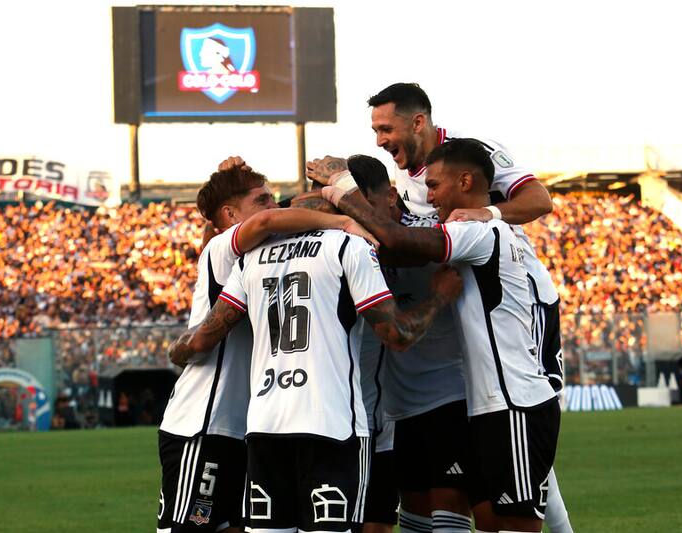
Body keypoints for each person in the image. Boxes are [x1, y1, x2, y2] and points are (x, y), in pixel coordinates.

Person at [309, 82, 572, 533]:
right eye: (374, 131)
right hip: (444, 387)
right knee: (485, 502)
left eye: (386, 128)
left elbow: (538, 200)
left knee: (508, 506)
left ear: (418, 122)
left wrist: (488, 214)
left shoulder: (469, 166)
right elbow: (400, 244)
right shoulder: (416, 190)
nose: (380, 140)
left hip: (493, 371)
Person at [169, 222, 463, 533]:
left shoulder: (252, 257)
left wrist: (176, 351)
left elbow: (202, 338)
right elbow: (397, 334)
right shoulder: (349, 246)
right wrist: (439, 297)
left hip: (265, 426)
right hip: (329, 426)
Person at [157, 160, 378, 533]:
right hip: (203, 423)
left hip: (244, 426)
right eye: (262, 199)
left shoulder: (260, 252)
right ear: (230, 215)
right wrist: (342, 221)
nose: (274, 206)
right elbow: (266, 222)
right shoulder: (222, 247)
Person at [345, 155, 472, 533]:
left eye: (362, 205)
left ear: (389, 195)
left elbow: (408, 247)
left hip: (447, 396)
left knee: (448, 510)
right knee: (408, 516)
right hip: (393, 409)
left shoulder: (430, 232)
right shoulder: (349, 241)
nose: (357, 216)